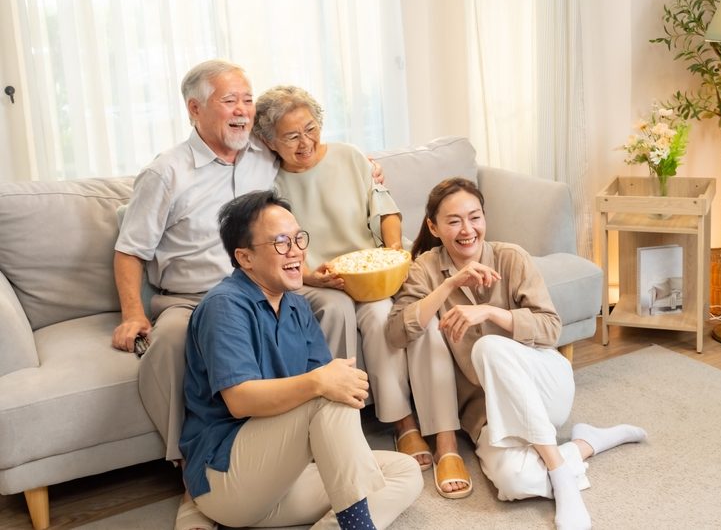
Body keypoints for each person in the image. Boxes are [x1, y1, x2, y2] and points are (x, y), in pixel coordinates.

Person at [112, 60, 378, 529]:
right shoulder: (166, 172)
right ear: (195, 109)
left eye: (248, 100)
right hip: (191, 296)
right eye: (229, 101)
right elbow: (130, 249)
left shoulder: (261, 152)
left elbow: (304, 147)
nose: (242, 110)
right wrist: (133, 312)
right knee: (173, 339)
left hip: (266, 283)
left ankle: (325, 445)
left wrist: (363, 170)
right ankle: (192, 474)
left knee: (334, 306)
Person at [387, 178, 647, 530]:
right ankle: (587, 443)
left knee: (489, 346)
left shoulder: (511, 258)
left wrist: (491, 313)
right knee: (514, 482)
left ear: (484, 217)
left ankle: (559, 471)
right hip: (486, 412)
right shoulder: (426, 269)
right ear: (433, 227)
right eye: (454, 221)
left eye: (475, 217)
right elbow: (396, 331)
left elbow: (551, 328)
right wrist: (449, 285)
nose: (467, 230)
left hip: (545, 387)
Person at [252, 85, 470, 498]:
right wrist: (310, 276)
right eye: (291, 136)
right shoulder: (269, 184)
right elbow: (278, 247)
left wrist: (392, 251)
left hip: (372, 273)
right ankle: (381, 425)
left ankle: (404, 423)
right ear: (268, 142)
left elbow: (385, 209)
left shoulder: (350, 157)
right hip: (319, 277)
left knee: (380, 315)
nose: (305, 142)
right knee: (339, 307)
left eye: (310, 129)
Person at [179, 189, 421, 529]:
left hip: (282, 478)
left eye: (297, 239)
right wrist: (322, 382)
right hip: (228, 477)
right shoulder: (224, 306)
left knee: (404, 471)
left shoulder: (296, 305)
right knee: (329, 393)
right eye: (281, 242)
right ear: (245, 258)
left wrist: (330, 383)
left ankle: (346, 522)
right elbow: (240, 400)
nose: (296, 251)